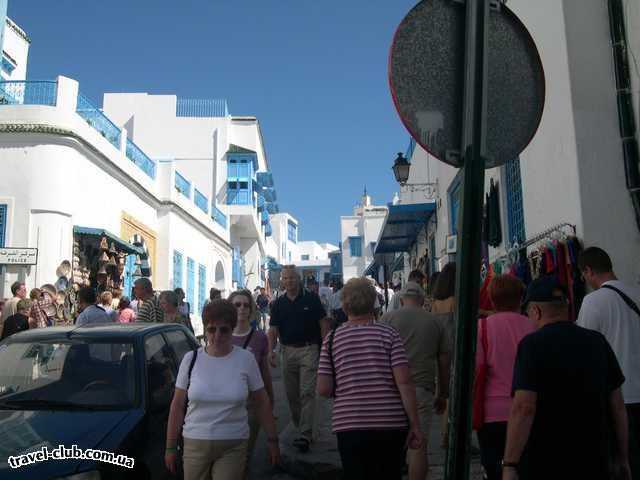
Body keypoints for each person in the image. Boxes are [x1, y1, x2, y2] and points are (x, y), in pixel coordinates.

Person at [503, 276, 630, 480]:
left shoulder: (531, 346)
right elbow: (617, 405)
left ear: (535, 311)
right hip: (594, 458)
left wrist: (509, 463)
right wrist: (623, 458)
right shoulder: (597, 342)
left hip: (545, 460)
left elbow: (524, 407)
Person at [317, 277, 423, 480]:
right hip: (389, 423)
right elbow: (404, 382)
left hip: (349, 424)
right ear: (374, 301)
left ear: (345, 304)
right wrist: (415, 424)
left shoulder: (331, 340)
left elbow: (323, 389)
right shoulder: (389, 334)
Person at [165, 300, 280, 480]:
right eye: (212, 329)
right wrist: (170, 446)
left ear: (232, 328)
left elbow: (262, 402)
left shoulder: (245, 359)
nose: (217, 336)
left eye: (224, 329)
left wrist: (273, 440)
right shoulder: (191, 359)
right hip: (195, 442)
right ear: (205, 330)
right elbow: (177, 405)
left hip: (233, 444)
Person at [577, 246, 640, 478]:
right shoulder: (637, 292)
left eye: (583, 275)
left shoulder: (593, 302)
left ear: (589, 270)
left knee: (624, 466)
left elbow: (584, 350)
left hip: (619, 399)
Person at [380, 282, 450, 480]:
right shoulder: (434, 321)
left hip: (391, 390)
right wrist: (442, 394)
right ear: (422, 300)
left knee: (390, 446)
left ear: (402, 300)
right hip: (421, 388)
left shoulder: (387, 318)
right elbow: (444, 360)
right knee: (419, 445)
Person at [472, 274, 534, 480]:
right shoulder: (533, 326)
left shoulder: (483, 328)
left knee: (495, 468)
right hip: (530, 409)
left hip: (493, 412)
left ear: (491, 298)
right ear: (520, 297)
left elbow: (478, 367)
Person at [267, 265, 328, 452]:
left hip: (309, 349)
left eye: (292, 278)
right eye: (285, 278)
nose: (289, 281)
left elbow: (323, 323)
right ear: (282, 281)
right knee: (291, 395)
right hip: (288, 351)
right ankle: (301, 425)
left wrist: (325, 347)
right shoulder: (277, 304)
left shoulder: (312, 298)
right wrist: (271, 351)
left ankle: (305, 434)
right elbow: (273, 330)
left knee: (307, 392)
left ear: (298, 279)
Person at [229, 289, 274, 477]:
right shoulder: (220, 334)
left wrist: (270, 403)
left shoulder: (259, 338)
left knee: (244, 456)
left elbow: (264, 372)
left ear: (251, 309)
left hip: (250, 406)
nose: (242, 308)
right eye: (237, 304)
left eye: (246, 305)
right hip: (226, 405)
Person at [431, 262, 456, 447]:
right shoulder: (455, 301)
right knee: (455, 392)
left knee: (444, 390)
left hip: (439, 351)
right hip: (454, 348)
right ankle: (451, 433)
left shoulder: (435, 304)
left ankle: (444, 432)